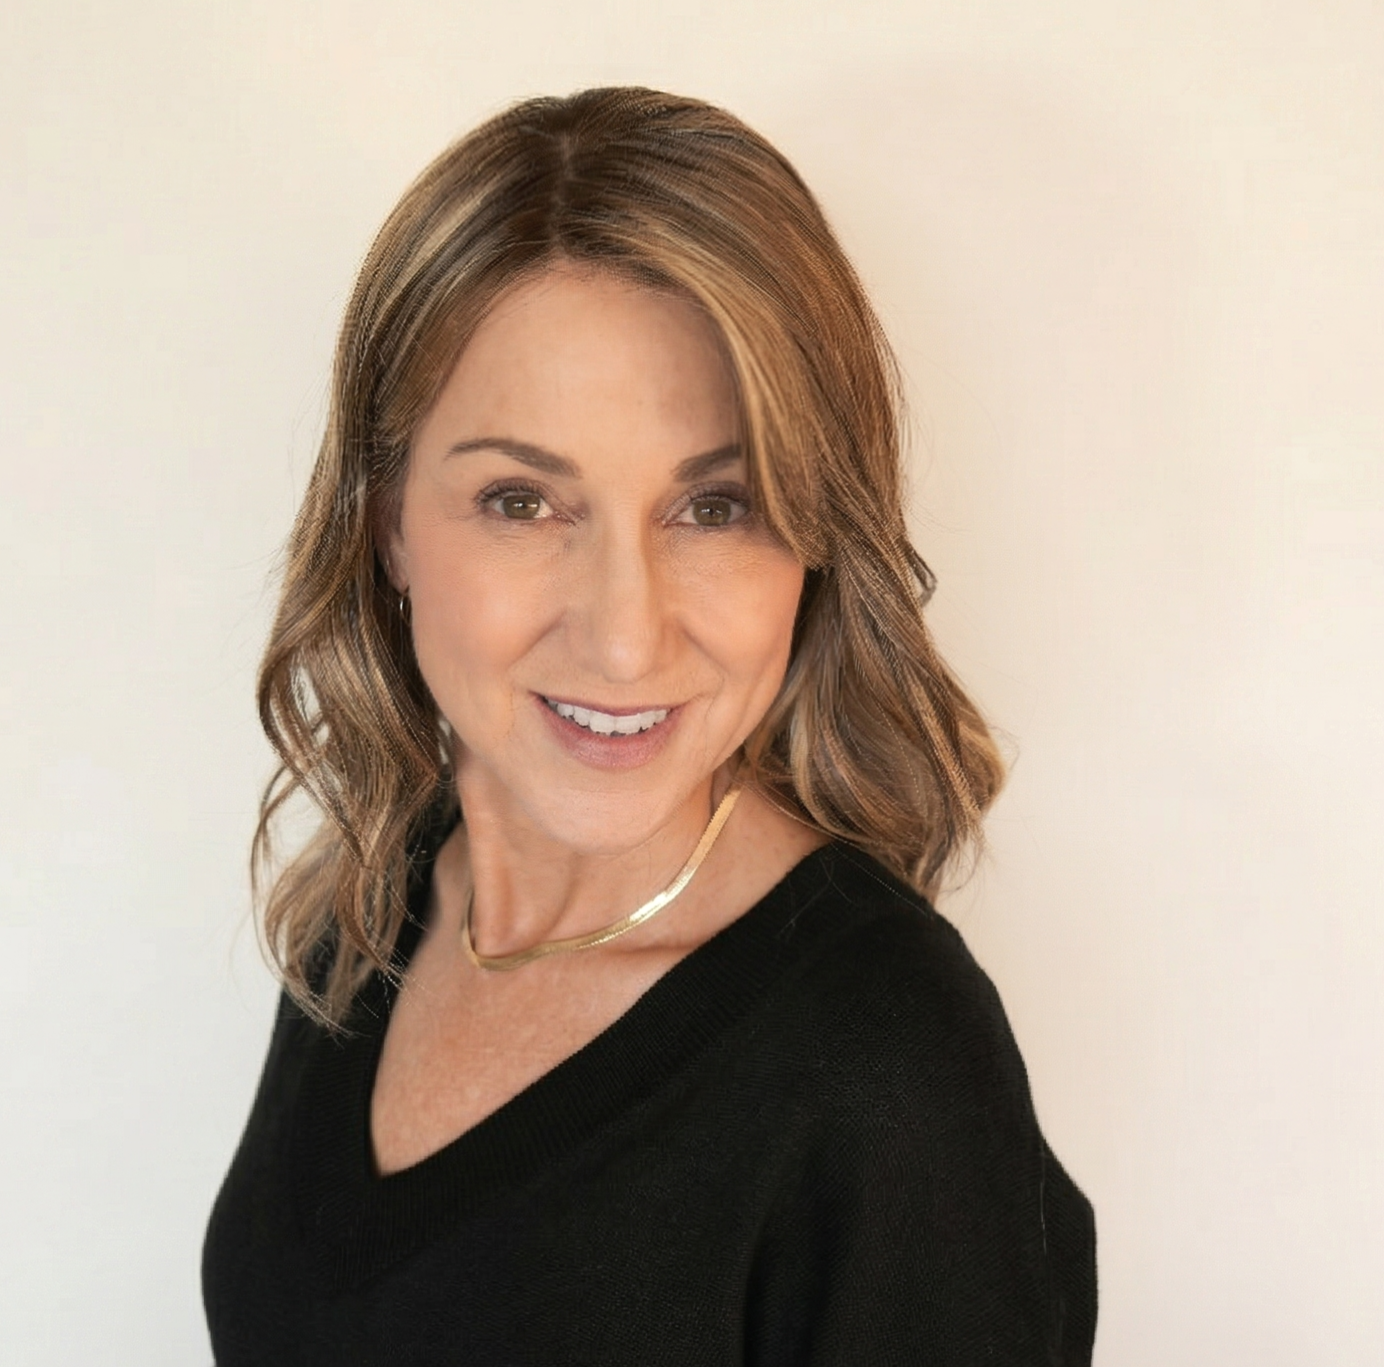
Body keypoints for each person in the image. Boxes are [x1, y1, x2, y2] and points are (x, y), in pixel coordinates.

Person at [202, 86, 1097, 1365]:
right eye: (521, 501)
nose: (625, 638)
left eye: (716, 506)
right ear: (385, 518)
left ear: (815, 538)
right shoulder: (379, 899)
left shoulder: (881, 1056)